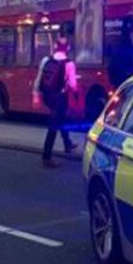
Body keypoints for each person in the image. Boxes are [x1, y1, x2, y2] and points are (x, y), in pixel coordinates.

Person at [32, 36, 78, 168]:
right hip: (60, 96)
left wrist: (35, 95)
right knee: (54, 125)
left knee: (61, 118)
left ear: (56, 46)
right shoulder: (69, 64)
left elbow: (39, 78)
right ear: (68, 48)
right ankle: (46, 157)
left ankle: (67, 143)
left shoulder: (46, 60)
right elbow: (73, 85)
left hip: (47, 96)